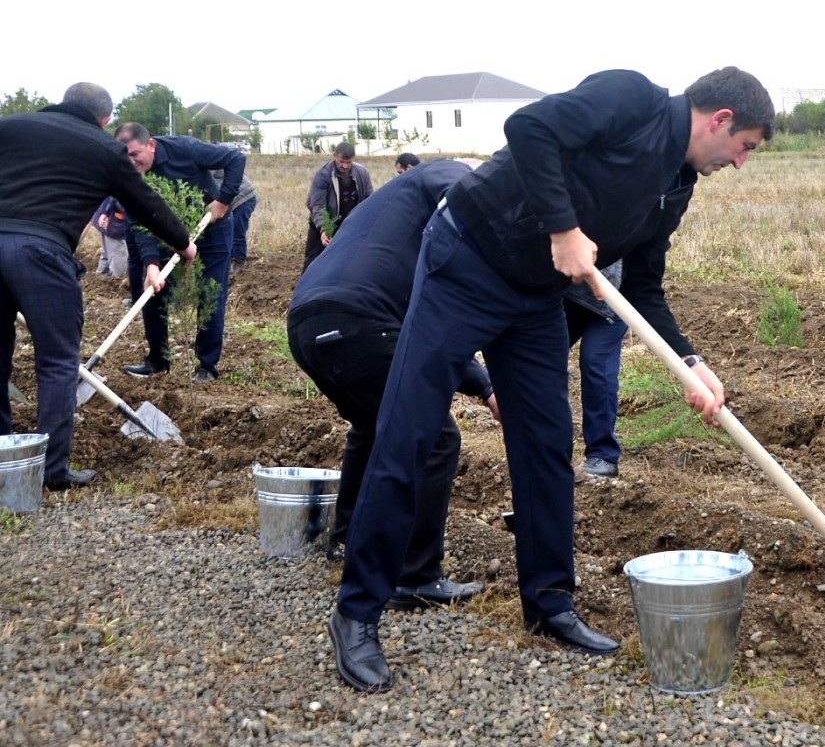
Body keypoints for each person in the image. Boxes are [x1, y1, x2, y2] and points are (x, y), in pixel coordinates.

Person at [328, 66, 774, 694]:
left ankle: (549, 603)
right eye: (745, 146)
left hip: (535, 295)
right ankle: (357, 612)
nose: (740, 162)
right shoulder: (631, 99)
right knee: (410, 431)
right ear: (721, 119)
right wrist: (564, 230)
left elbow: (643, 286)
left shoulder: (675, 186)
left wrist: (691, 363)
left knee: (544, 445)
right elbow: (530, 128)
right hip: (467, 260)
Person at [289, 158, 499, 602]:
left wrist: (483, 386)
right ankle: (415, 573)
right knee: (436, 437)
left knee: (371, 425)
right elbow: (426, 326)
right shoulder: (452, 176)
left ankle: (346, 540)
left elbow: (421, 332)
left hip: (306, 321)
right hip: (357, 322)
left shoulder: (394, 209)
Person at [0, 83, 195, 489]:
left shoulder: (10, 126)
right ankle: (50, 471)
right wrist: (182, 242)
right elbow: (144, 202)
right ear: (105, 119)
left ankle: (6, 457)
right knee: (56, 362)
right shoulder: (103, 148)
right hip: (41, 253)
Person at [113, 121, 245, 383]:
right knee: (152, 290)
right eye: (124, 157)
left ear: (150, 144)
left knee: (210, 293)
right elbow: (139, 222)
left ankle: (206, 366)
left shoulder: (185, 149)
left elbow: (235, 158)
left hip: (211, 229)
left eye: (135, 155)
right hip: (165, 233)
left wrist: (223, 201)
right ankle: (158, 361)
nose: (131, 162)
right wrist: (151, 264)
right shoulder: (125, 174)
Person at [565, 260, 628, 478]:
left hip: (612, 299)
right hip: (564, 292)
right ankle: (553, 452)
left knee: (596, 366)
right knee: (545, 364)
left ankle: (603, 456)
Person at [304, 142, 373, 270]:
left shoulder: (362, 173)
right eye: (342, 161)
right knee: (314, 258)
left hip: (349, 223)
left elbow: (369, 200)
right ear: (334, 156)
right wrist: (324, 228)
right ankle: (304, 288)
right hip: (325, 222)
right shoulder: (323, 175)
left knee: (347, 259)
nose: (345, 166)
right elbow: (318, 205)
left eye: (349, 162)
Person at [91, 197, 132, 278]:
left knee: (108, 251)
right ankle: (116, 282)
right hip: (112, 221)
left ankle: (101, 277)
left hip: (107, 216)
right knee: (118, 254)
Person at [228, 175, 258, 271]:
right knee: (229, 232)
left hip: (244, 198)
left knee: (237, 231)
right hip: (234, 199)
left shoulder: (209, 165)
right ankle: (231, 260)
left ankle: (239, 262)